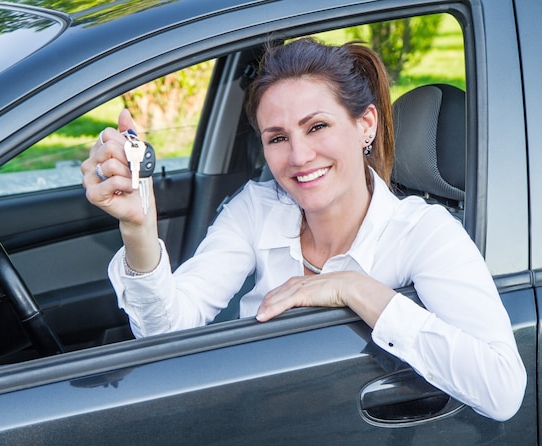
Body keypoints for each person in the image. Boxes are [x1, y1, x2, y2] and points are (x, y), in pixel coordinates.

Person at [82, 38, 526, 421]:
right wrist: (138, 227)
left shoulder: (422, 232)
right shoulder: (257, 209)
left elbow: (502, 389)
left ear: (365, 124)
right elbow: (166, 334)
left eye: (317, 127)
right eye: (277, 137)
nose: (298, 156)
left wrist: (356, 289)